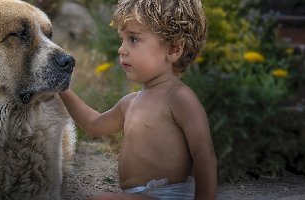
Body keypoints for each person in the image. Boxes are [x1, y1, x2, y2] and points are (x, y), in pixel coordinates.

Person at [59, 0, 216, 199]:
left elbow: (204, 156)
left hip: (167, 195)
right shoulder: (130, 102)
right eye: (121, 39)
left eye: (133, 39)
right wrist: (62, 90)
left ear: (174, 50)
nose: (121, 49)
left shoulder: (179, 98)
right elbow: (93, 125)